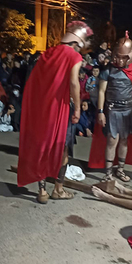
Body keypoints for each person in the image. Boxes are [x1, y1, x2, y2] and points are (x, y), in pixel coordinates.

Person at [17, 21, 92, 204]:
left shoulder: (48, 53)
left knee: (42, 147)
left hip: (41, 108)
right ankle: (58, 189)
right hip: (59, 108)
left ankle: (42, 191)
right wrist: (76, 107)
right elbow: (74, 83)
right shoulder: (73, 56)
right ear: (77, 43)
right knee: (62, 148)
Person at [88, 34, 132, 182]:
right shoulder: (108, 70)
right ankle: (108, 173)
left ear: (129, 56)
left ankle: (120, 169)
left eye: (123, 57)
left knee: (124, 140)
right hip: (112, 110)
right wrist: (100, 111)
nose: (120, 60)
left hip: (129, 110)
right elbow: (101, 91)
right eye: (118, 57)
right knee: (112, 141)